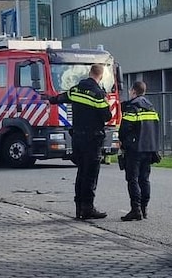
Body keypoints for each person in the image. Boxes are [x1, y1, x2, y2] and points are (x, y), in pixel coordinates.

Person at [48, 64, 111, 219]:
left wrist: (48, 98)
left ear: (89, 73)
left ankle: (79, 208)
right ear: (101, 76)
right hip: (92, 139)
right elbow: (107, 116)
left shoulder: (75, 89)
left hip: (77, 138)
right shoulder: (97, 94)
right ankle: (88, 208)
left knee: (81, 172)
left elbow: (58, 99)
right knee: (90, 174)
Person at [118, 81, 161, 221]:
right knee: (145, 179)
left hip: (135, 149)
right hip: (149, 149)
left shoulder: (132, 107)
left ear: (133, 91)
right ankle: (144, 208)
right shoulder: (151, 108)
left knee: (133, 179)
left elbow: (124, 129)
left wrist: (123, 143)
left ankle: (135, 210)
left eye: (130, 91)